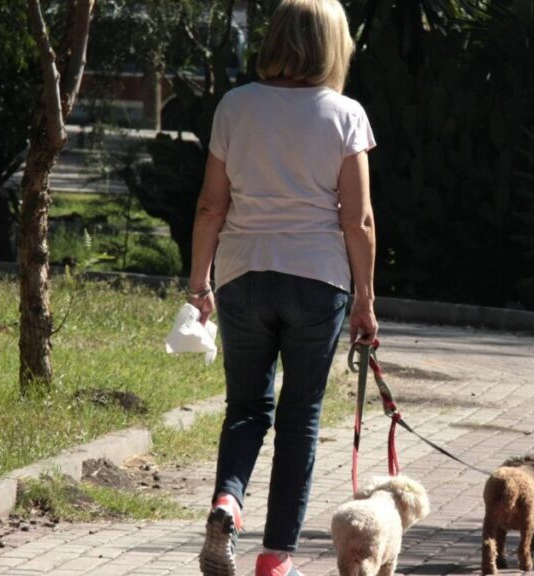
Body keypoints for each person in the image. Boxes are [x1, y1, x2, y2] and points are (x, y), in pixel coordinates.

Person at [187, 1, 377, 574]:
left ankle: (227, 501)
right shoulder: (345, 114)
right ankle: (275, 559)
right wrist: (365, 299)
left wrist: (200, 283)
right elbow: (358, 219)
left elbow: (210, 204)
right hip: (319, 283)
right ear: (332, 44)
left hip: (243, 275)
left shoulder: (235, 106)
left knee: (246, 408)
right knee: (301, 418)